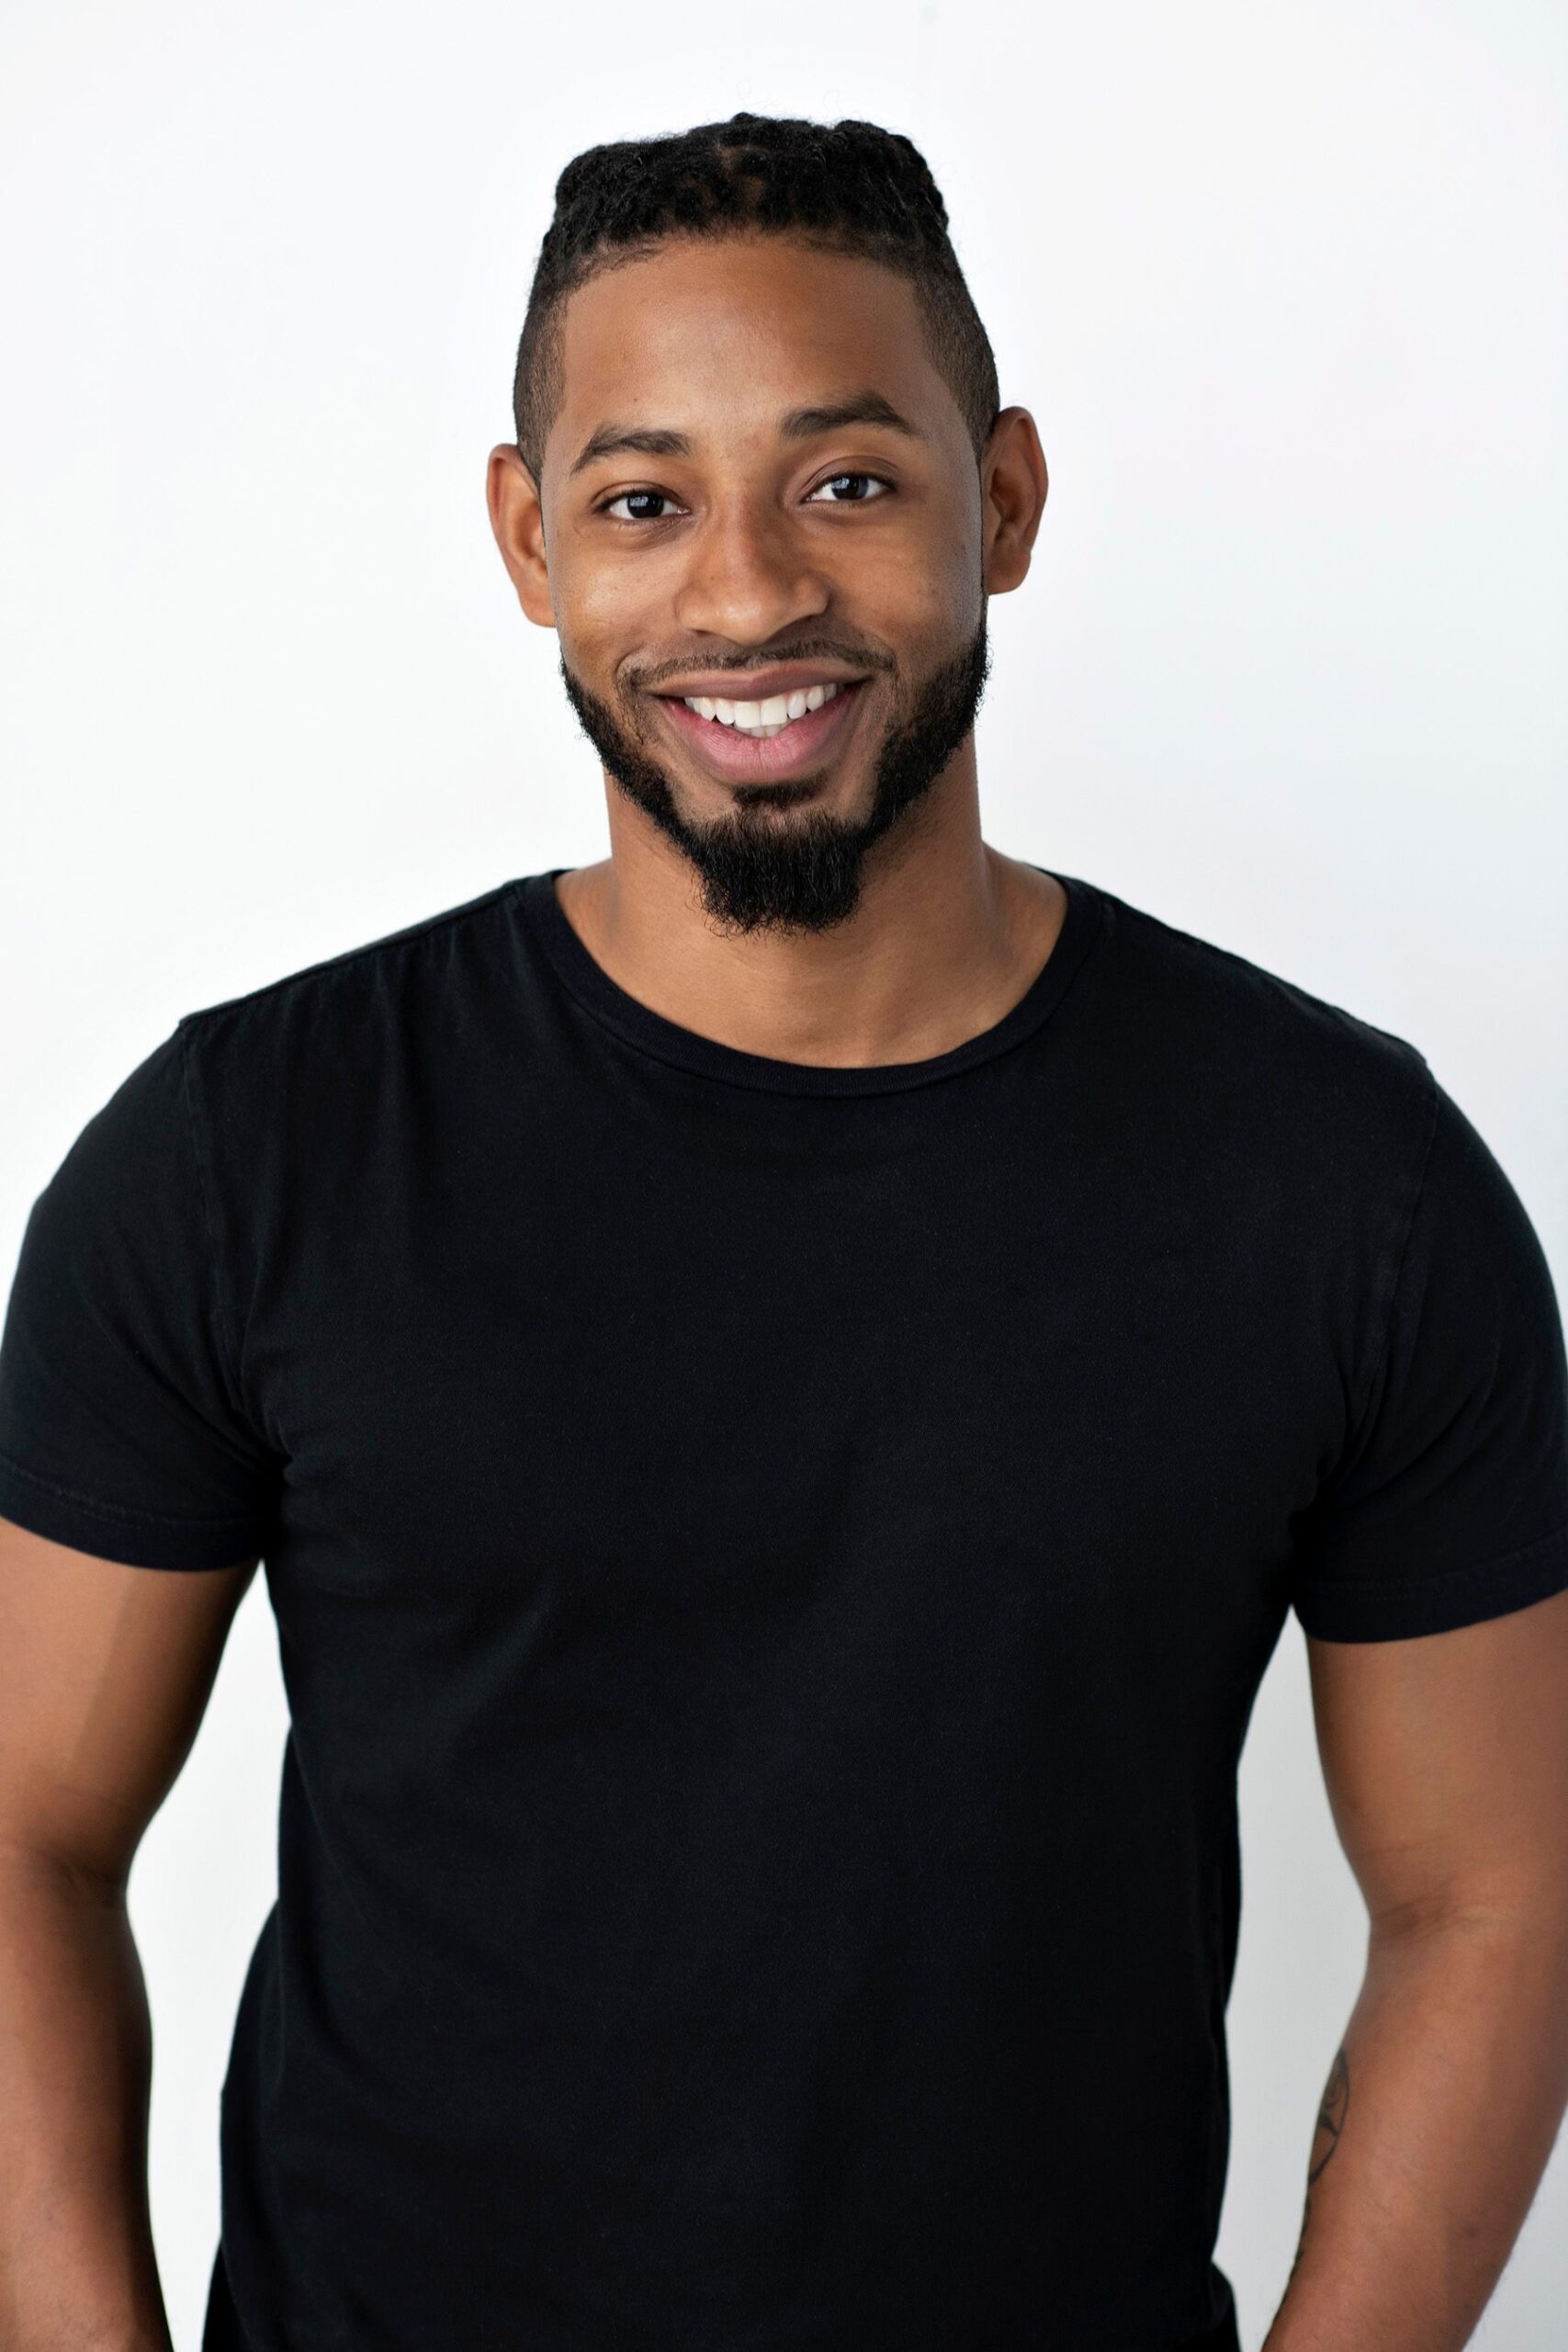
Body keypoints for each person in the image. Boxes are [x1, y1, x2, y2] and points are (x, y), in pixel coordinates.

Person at [1, 109, 1565, 2352]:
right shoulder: (248, 1152)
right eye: (644, 501)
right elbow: (23, 1826)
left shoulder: (1342, 1183)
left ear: (999, 499)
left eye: (843, 481)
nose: (743, 596)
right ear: (529, 540)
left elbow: (1493, 1890)